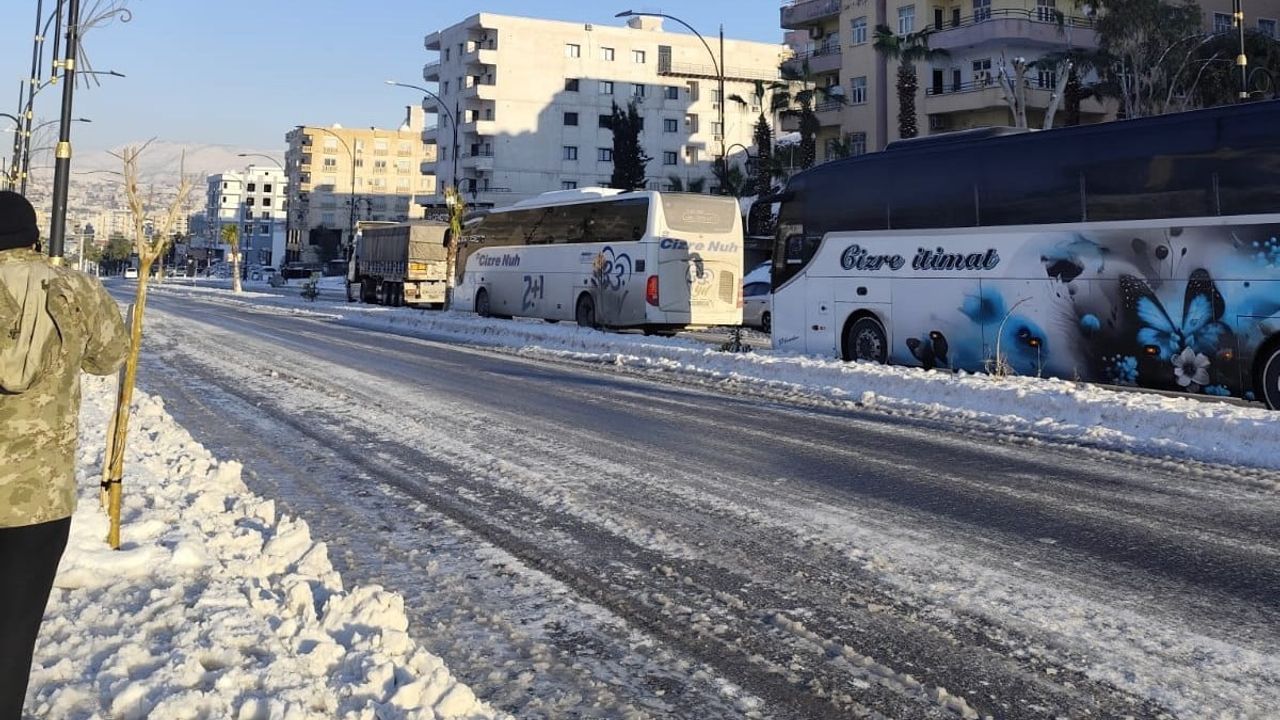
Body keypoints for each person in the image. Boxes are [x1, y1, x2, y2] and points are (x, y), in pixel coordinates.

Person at [0, 190, 128, 719]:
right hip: (39, 499)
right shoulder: (75, 288)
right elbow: (108, 358)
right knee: (11, 637)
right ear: (34, 236)